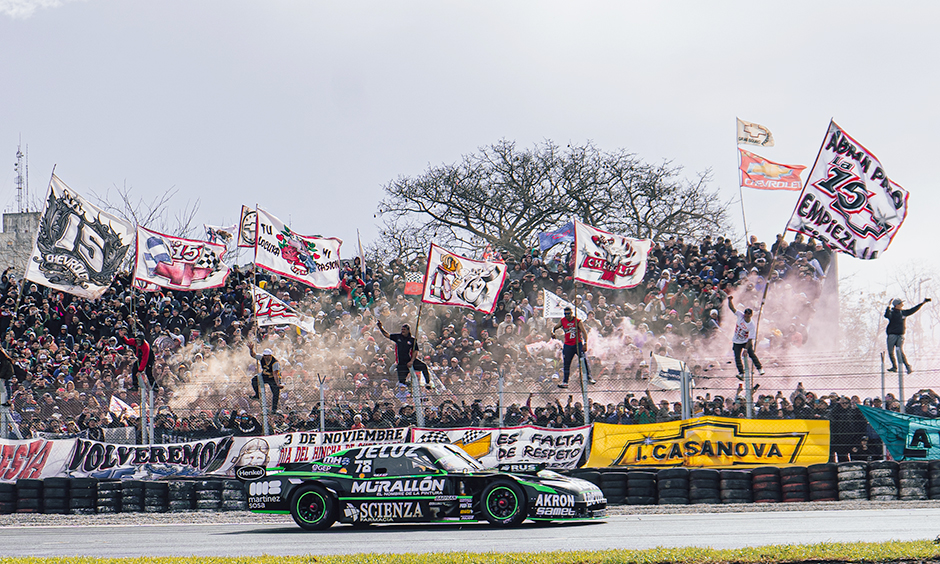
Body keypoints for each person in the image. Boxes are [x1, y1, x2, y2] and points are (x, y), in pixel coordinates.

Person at [376, 320, 432, 389]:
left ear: (408, 330)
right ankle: (409, 385)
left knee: (423, 366)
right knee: (401, 381)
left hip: (410, 360)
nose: (402, 331)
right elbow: (387, 335)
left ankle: (427, 383)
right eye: (402, 329)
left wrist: (411, 361)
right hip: (401, 363)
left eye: (404, 330)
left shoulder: (412, 340)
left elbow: (415, 351)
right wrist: (381, 327)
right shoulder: (398, 337)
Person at [550, 306, 595, 388]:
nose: (567, 315)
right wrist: (552, 333)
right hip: (568, 345)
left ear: (571, 313)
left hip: (577, 344)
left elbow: (584, 333)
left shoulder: (577, 321)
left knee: (583, 360)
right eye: (565, 314)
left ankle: (589, 378)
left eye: (568, 313)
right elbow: (555, 328)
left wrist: (585, 344)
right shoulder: (562, 321)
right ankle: (565, 382)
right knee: (566, 364)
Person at [884, 297, 930, 373]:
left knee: (900, 351)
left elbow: (913, 310)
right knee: (891, 351)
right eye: (900, 303)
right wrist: (888, 306)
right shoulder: (892, 313)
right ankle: (894, 367)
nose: (902, 304)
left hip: (900, 335)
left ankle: (908, 367)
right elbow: (886, 315)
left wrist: (923, 303)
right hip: (892, 335)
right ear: (897, 305)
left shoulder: (903, 313)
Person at [728, 295, 763, 381]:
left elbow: (750, 338)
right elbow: (732, 308)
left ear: (751, 315)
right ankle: (741, 373)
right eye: (745, 314)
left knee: (751, 354)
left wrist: (746, 349)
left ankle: (759, 368)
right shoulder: (740, 315)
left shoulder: (751, 325)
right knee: (737, 357)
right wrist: (730, 301)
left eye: (748, 314)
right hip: (736, 341)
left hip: (746, 341)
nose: (746, 316)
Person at [247, 343, 282, 412]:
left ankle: (274, 408)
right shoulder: (262, 358)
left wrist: (277, 383)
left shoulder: (275, 362)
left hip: (273, 378)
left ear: (270, 355)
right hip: (265, 376)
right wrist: (251, 349)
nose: (265, 357)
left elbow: (275, 374)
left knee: (276, 392)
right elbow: (253, 355)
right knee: (254, 380)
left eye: (267, 356)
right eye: (264, 356)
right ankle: (257, 395)